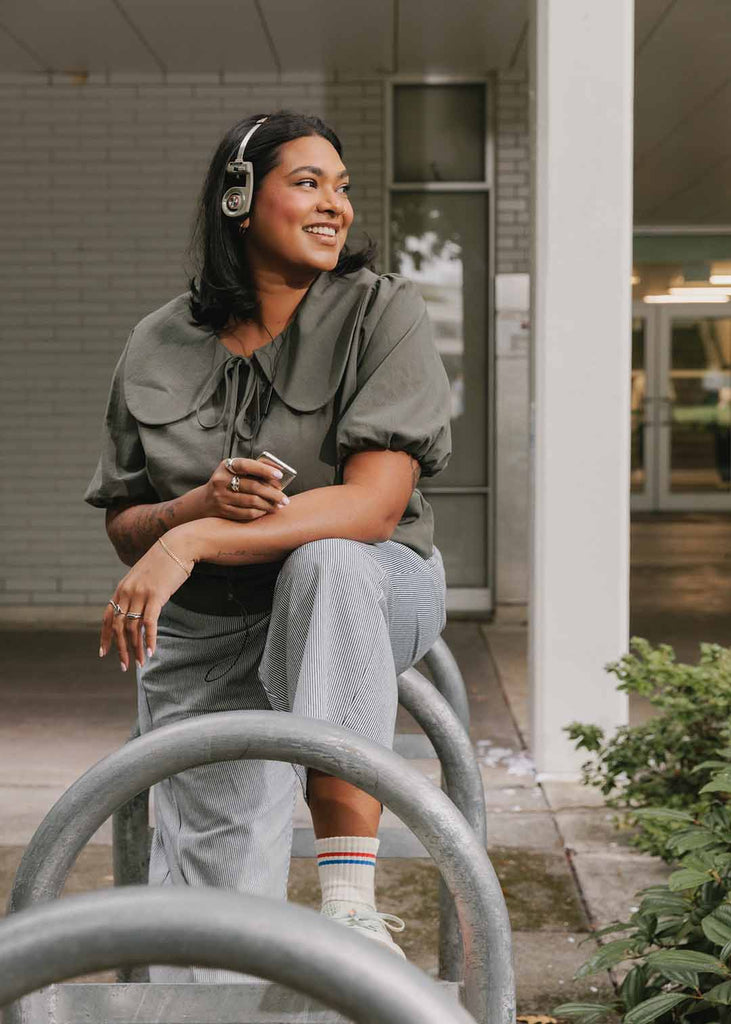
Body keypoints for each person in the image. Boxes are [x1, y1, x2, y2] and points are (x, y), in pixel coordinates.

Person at [85, 110, 452, 976]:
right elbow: (124, 522)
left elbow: (371, 508)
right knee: (210, 916)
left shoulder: (382, 309)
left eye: (342, 187)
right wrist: (187, 513)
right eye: (308, 183)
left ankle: (350, 901)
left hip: (371, 584)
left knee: (324, 568)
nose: (335, 205)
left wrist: (196, 540)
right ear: (239, 199)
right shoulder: (155, 342)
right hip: (212, 634)